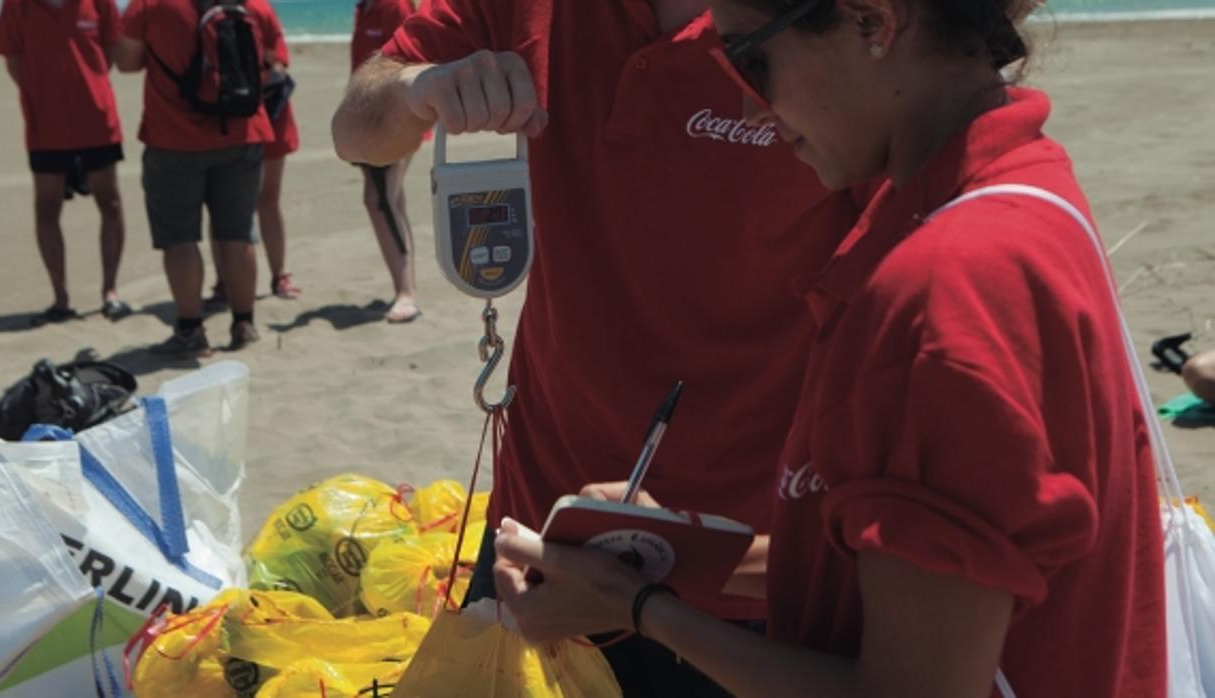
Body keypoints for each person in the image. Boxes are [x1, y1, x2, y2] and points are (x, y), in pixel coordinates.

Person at [489, 1, 1167, 696]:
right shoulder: (1023, 187)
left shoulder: (944, 291)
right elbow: (911, 575)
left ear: (871, 23)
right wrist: (672, 559)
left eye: (749, 60)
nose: (750, 110)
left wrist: (639, 611)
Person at [332, 0, 856, 693]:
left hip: (747, 560)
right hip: (538, 523)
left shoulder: (825, 25)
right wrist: (419, 89)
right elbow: (356, 129)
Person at [116, 0, 282, 355]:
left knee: (180, 238)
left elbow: (126, 63)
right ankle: (244, 323)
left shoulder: (150, 5)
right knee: (238, 234)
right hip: (243, 132)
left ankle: (190, 330)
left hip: (173, 138)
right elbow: (271, 62)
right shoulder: (253, 5)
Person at [0, 0, 130, 326]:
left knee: (110, 202)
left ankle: (109, 291)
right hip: (45, 127)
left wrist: (88, 86)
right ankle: (61, 297)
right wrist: (44, 94)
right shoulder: (17, 5)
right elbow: (14, 61)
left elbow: (110, 53)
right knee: (46, 208)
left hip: (97, 121)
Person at [207, 11, 303, 309]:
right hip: (228, 119)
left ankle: (277, 274)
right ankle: (226, 280)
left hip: (267, 114)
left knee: (265, 199)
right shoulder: (213, 10)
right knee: (224, 204)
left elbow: (278, 64)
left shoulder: (259, 9)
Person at [352, 0, 422, 324]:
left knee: (380, 200)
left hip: (394, 122)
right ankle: (405, 288)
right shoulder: (364, 8)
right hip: (367, 121)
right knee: (391, 199)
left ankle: (406, 293)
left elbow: (415, 61)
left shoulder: (394, 6)